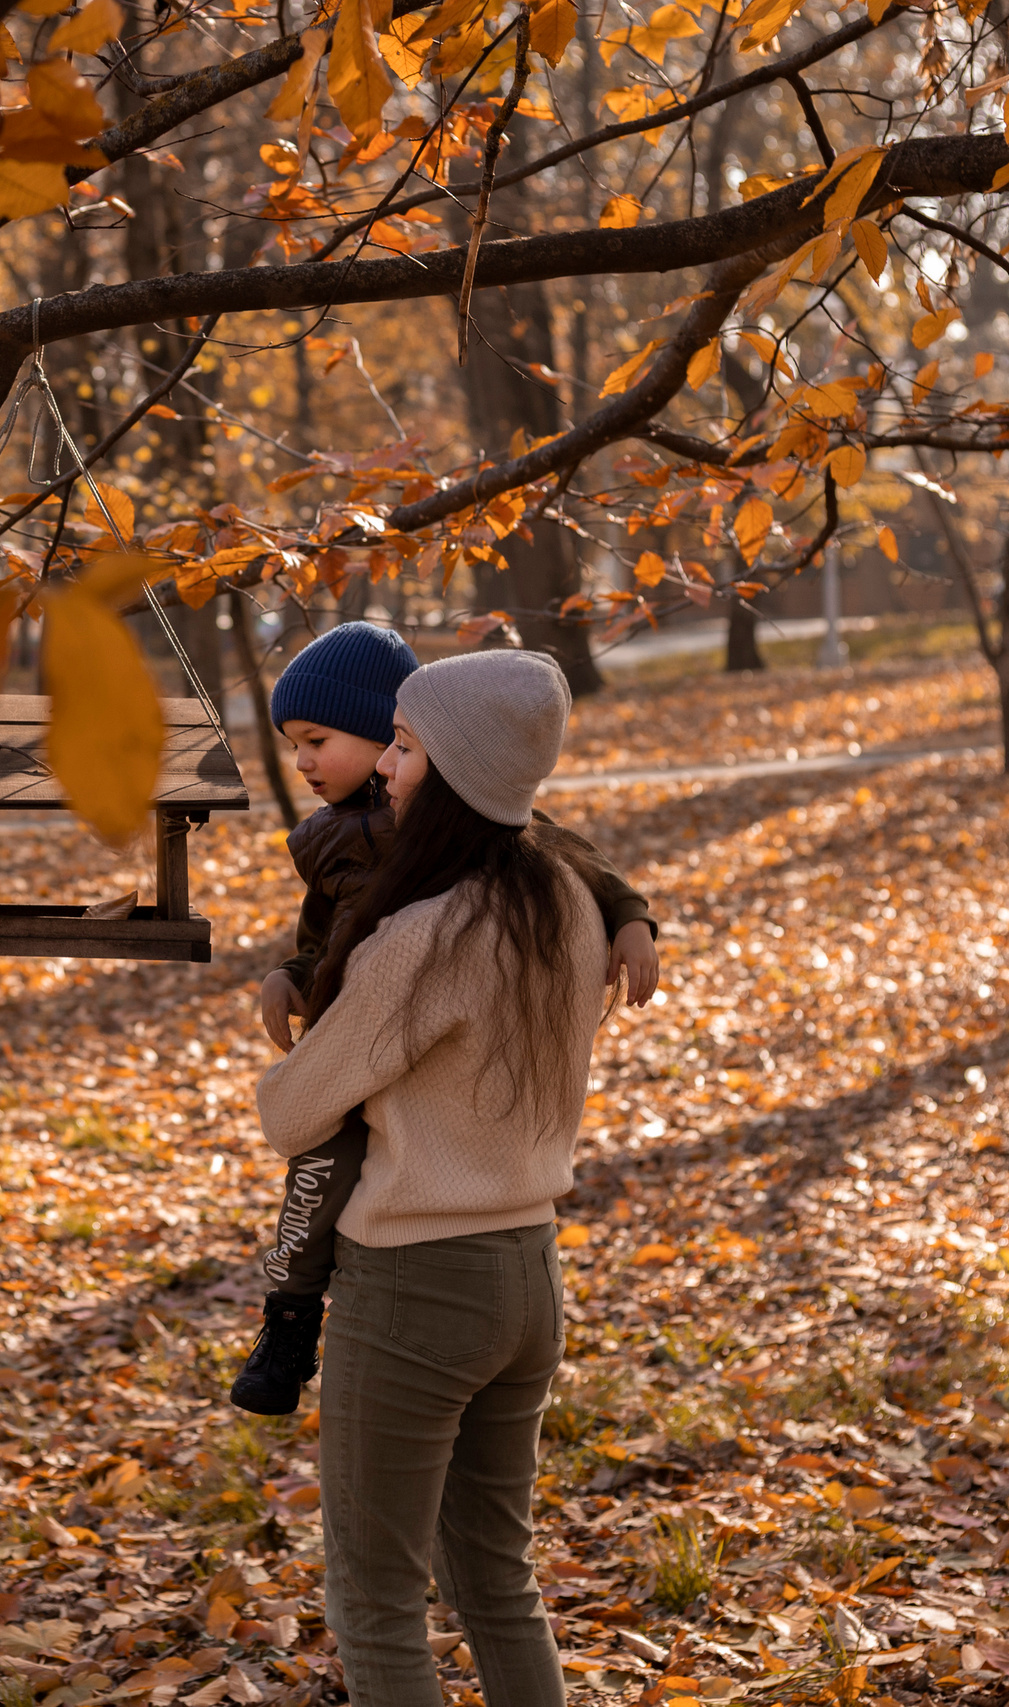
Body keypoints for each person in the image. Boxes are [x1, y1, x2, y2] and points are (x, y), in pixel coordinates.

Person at [255, 649, 620, 1707]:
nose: (389, 770)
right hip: (528, 1279)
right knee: (499, 1585)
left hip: (414, 1287)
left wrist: (295, 1033)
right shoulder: (564, 900)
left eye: (406, 747)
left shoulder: (424, 937)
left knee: (375, 1601)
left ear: (453, 765)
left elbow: (293, 1113)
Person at [230, 625, 657, 1415]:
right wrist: (289, 977)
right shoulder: (331, 841)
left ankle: (289, 1320)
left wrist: (631, 919)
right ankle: (287, 1317)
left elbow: (576, 856)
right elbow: (320, 935)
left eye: (320, 740)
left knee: (316, 1161)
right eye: (294, 744)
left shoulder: (473, 864)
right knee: (311, 1186)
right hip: (503, 1236)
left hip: (414, 1209)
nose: (303, 762)